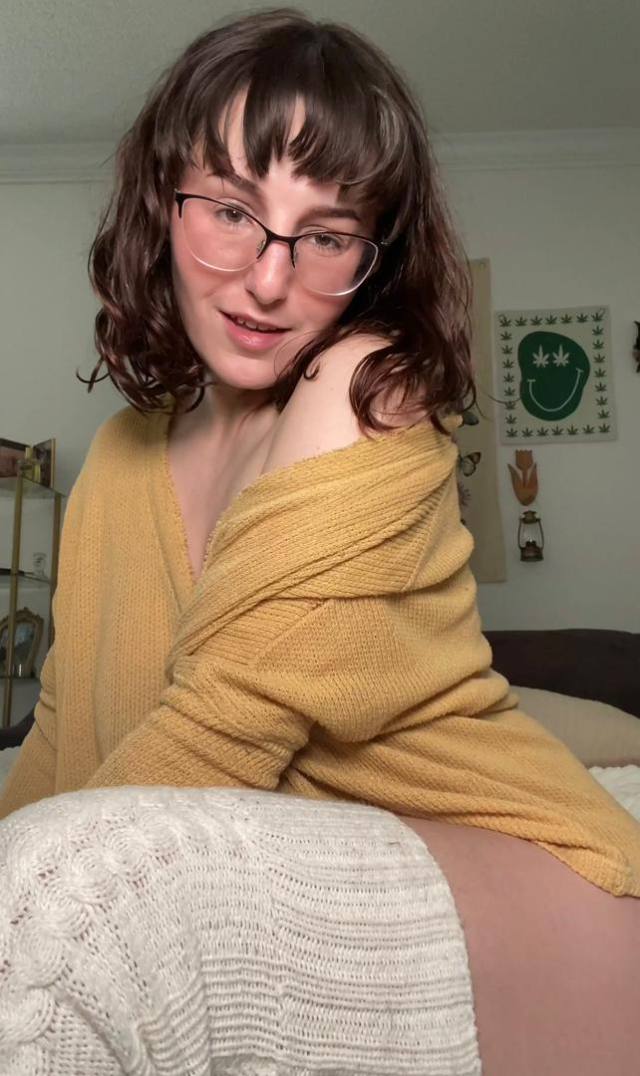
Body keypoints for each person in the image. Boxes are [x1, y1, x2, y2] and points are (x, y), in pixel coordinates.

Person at [1, 8, 639, 1071]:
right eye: (231, 211)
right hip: (242, 874)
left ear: (370, 258)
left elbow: (219, 734)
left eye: (327, 235)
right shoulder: (118, 456)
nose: (267, 278)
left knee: (61, 906)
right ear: (162, 205)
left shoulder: (367, 389)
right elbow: (63, 731)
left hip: (513, 888)